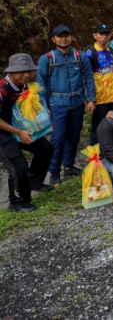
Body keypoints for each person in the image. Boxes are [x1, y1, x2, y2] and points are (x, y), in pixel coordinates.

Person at [37, 25, 96, 186]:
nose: (63, 38)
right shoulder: (47, 59)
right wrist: (44, 107)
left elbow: (89, 77)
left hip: (77, 103)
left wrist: (91, 99)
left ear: (71, 37)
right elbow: (41, 85)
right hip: (56, 105)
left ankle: (68, 166)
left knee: (74, 135)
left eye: (66, 35)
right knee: (58, 137)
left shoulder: (80, 56)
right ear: (53, 39)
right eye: (59, 36)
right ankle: (54, 170)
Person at [0, 54, 54, 212]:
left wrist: (42, 117)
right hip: (4, 132)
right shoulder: (2, 88)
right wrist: (18, 132)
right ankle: (15, 202)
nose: (26, 74)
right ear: (11, 71)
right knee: (18, 165)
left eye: (28, 70)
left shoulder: (25, 85)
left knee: (45, 149)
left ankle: (34, 182)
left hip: (20, 127)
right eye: (21, 71)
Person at [86, 24, 113, 145]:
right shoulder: (90, 53)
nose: (104, 37)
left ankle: (109, 150)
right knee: (98, 126)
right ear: (95, 35)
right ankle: (95, 154)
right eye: (101, 34)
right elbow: (87, 76)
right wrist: (90, 99)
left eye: (106, 34)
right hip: (100, 97)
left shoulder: (111, 51)